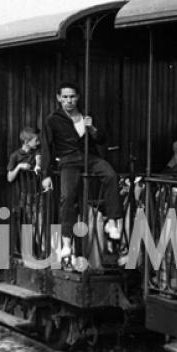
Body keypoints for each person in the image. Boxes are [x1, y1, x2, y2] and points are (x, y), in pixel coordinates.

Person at [40, 81, 123, 261]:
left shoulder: (86, 116)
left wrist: (91, 128)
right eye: (65, 97)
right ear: (59, 98)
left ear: (77, 98)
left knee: (110, 175)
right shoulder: (53, 119)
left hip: (88, 158)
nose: (68, 101)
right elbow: (46, 147)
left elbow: (101, 139)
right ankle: (67, 241)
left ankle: (111, 221)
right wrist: (45, 175)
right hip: (68, 160)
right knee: (67, 196)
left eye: (72, 97)